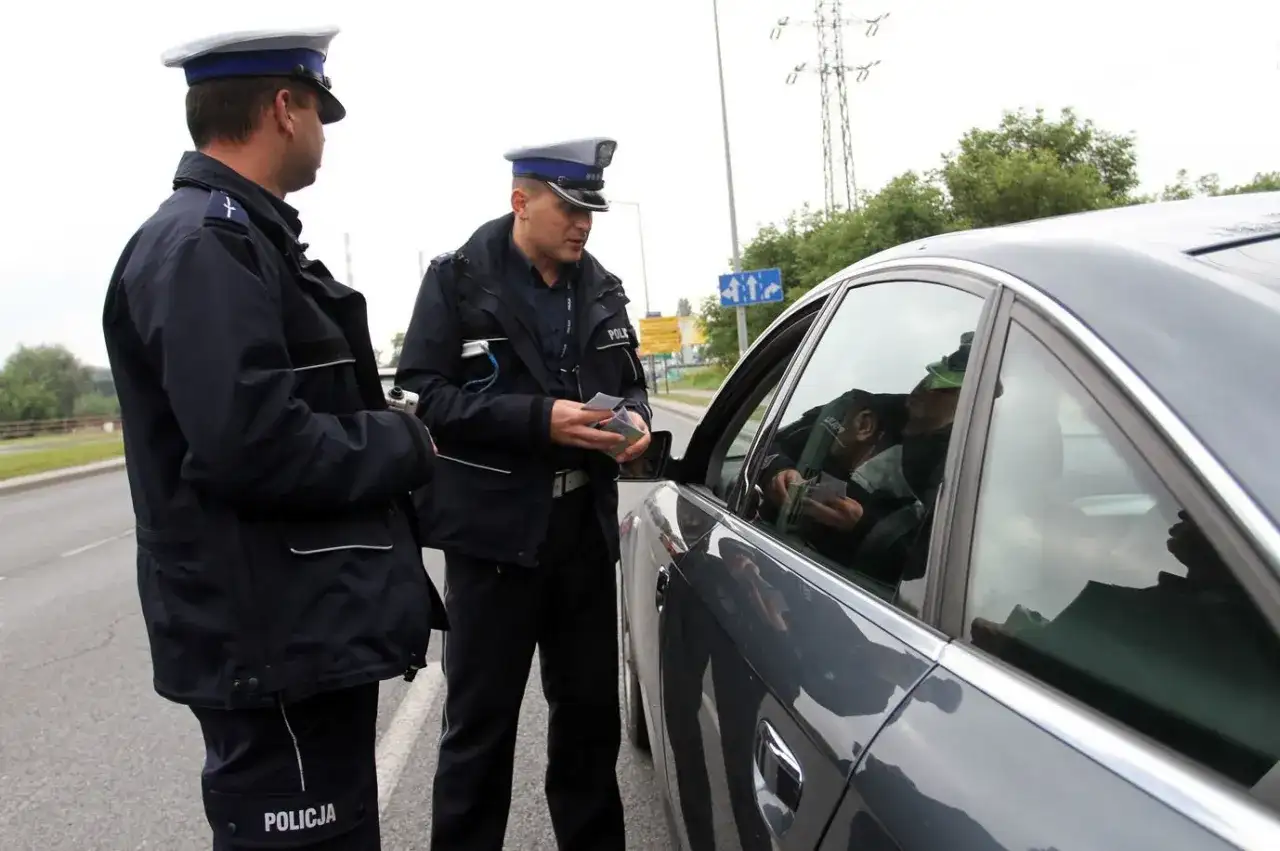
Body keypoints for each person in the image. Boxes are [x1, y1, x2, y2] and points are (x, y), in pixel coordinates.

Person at [100, 26, 445, 850]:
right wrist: (403, 443)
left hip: (296, 632)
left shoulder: (242, 238)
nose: (323, 130)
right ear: (285, 109)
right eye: (319, 110)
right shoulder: (205, 246)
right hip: (272, 640)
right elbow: (253, 442)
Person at [395, 137, 652, 851]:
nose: (583, 224)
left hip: (581, 535)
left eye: (590, 211)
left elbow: (631, 382)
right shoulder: (457, 281)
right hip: (494, 541)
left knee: (589, 723)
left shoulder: (601, 287)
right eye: (569, 208)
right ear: (521, 202)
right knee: (480, 731)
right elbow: (424, 398)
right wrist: (538, 420)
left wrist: (635, 420)